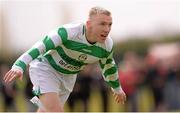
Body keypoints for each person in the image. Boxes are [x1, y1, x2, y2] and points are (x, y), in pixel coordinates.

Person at [3, 6, 126, 112]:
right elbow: (41, 46)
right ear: (89, 24)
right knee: (55, 111)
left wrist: (117, 89)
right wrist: (20, 65)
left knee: (46, 111)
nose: (107, 29)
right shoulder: (69, 32)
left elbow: (109, 66)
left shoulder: (107, 45)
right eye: (102, 24)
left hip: (68, 77)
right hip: (46, 68)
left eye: (110, 24)